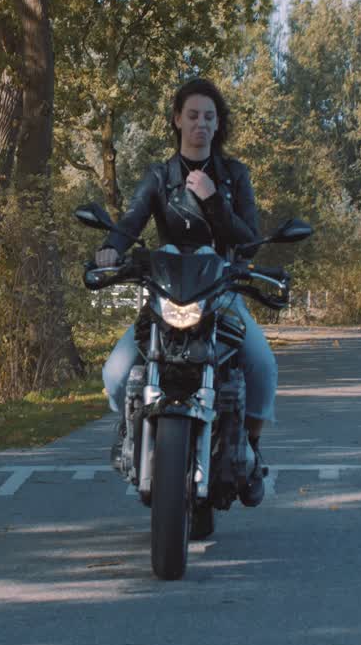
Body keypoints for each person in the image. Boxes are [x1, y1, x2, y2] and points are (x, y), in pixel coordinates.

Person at [96, 77, 276, 506]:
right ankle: (132, 431)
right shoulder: (160, 176)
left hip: (221, 291)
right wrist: (109, 249)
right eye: (193, 115)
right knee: (117, 372)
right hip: (166, 291)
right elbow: (132, 221)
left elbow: (248, 242)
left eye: (209, 117)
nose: (201, 124)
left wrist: (215, 200)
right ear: (177, 119)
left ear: (218, 124)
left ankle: (250, 448)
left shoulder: (234, 175)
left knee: (262, 365)